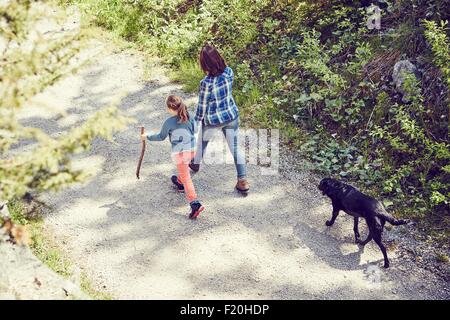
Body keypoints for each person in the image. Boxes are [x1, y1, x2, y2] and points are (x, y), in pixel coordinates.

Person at [191, 44, 250, 193]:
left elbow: (202, 106)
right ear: (218, 58)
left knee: (202, 142)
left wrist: (196, 121)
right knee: (235, 147)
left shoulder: (205, 83)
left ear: (204, 65)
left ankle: (195, 163)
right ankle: (242, 180)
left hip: (213, 120)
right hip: (231, 116)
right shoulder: (229, 72)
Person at [141, 95, 204, 219]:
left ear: (170, 108)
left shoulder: (169, 122)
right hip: (192, 150)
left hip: (180, 153)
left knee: (187, 177)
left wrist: (146, 137)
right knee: (184, 171)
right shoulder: (189, 115)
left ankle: (195, 203)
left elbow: (161, 136)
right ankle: (180, 183)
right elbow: (195, 130)